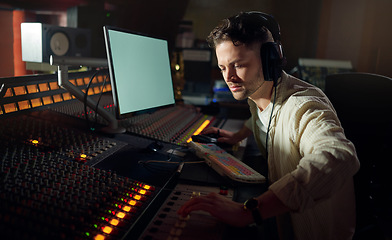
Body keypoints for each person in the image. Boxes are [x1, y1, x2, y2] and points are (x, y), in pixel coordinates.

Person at [178, 11, 360, 240]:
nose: (229, 77)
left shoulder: (303, 105)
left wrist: (248, 212)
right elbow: (261, 117)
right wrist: (239, 135)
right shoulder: (261, 96)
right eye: (223, 67)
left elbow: (339, 155)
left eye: (238, 65)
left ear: (270, 59)